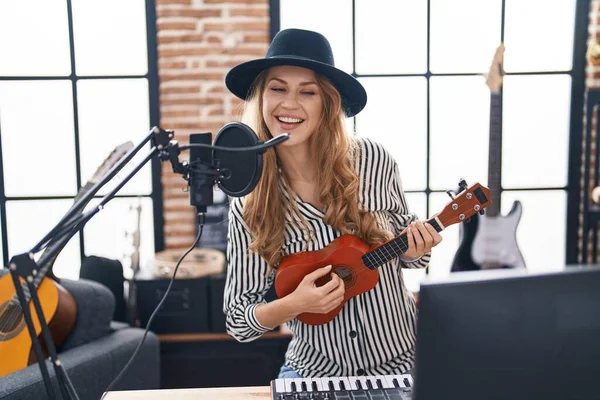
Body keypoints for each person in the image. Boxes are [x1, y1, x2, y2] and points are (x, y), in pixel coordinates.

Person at [222, 28, 443, 380]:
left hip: (404, 363)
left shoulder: (373, 160)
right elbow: (238, 321)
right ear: (261, 97)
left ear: (327, 103)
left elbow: (414, 253)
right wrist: (294, 305)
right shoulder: (249, 202)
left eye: (307, 92)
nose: (289, 104)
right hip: (314, 370)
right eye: (277, 88)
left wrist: (417, 248)